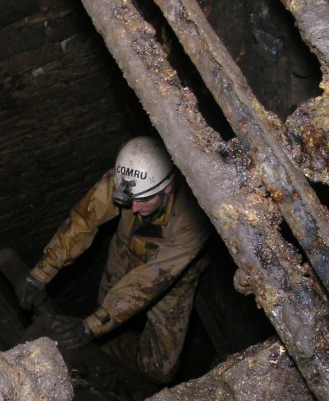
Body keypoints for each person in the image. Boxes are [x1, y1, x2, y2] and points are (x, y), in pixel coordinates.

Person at [17, 136, 212, 384]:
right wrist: (39, 274)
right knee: (106, 321)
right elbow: (83, 221)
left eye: (143, 201)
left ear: (168, 188)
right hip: (124, 251)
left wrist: (92, 326)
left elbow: (150, 280)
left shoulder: (191, 218)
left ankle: (138, 380)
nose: (135, 209)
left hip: (172, 274)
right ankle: (109, 362)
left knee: (160, 369)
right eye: (130, 201)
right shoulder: (127, 180)